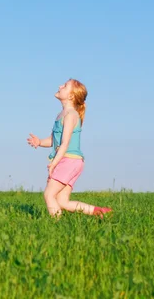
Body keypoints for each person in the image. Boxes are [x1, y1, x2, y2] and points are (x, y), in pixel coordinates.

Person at [27, 79, 112, 218]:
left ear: (71, 96)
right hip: (70, 161)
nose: (60, 86)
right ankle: (99, 212)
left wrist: (54, 163)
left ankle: (56, 227)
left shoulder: (71, 115)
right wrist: (39, 141)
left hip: (69, 160)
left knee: (48, 194)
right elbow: (54, 140)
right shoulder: (62, 115)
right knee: (62, 201)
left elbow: (65, 144)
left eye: (65, 86)